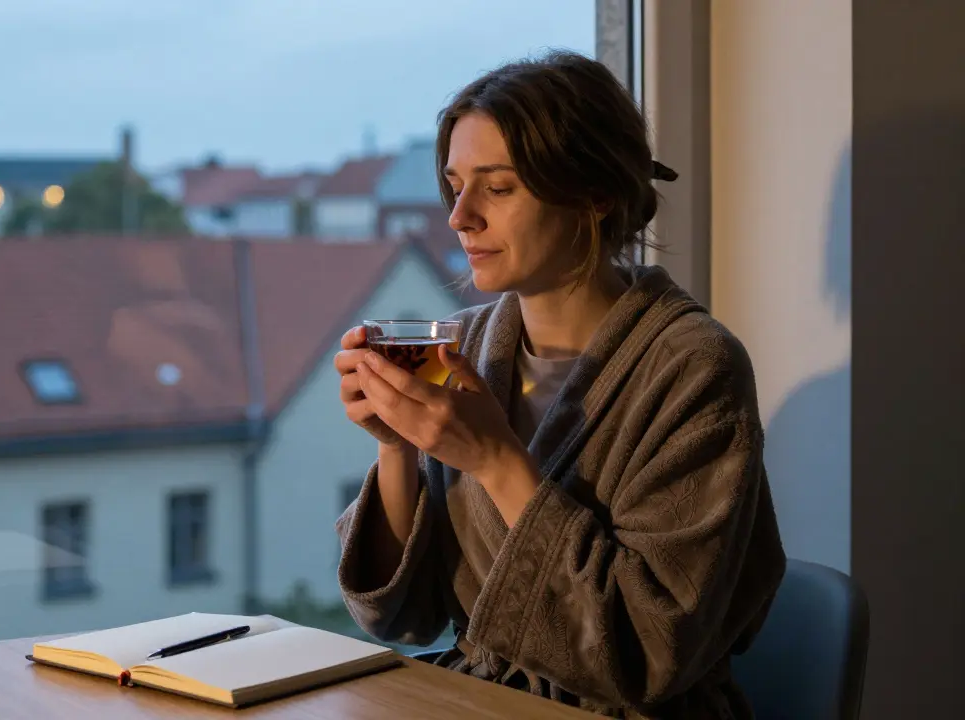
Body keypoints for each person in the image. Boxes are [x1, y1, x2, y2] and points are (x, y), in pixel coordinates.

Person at [333, 51, 785, 719]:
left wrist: (496, 460)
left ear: (594, 196)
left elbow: (646, 654)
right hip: (479, 701)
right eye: (456, 185)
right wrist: (395, 444)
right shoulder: (467, 348)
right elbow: (403, 616)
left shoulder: (694, 368)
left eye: (498, 188)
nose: (460, 217)